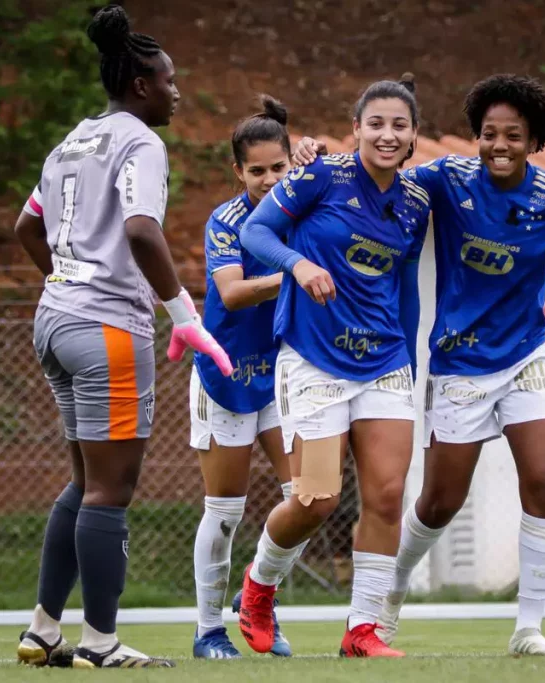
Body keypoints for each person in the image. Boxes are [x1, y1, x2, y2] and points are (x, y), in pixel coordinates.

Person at [295, 72, 545, 656]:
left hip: (528, 353)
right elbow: (377, 171)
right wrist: (317, 153)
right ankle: (393, 586)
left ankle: (528, 628)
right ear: (476, 137)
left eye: (513, 135)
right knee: (440, 502)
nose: (499, 145)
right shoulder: (446, 179)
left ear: (534, 141)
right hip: (459, 364)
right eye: (489, 134)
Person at [12, 4, 230, 669]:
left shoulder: (70, 142)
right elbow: (140, 229)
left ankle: (43, 630)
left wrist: (68, 282)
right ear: (141, 85)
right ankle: (100, 642)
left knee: (85, 481)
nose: (176, 91)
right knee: (111, 490)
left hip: (54, 320)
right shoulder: (141, 142)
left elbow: (27, 227)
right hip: (106, 329)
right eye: (168, 80)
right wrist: (184, 315)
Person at [235, 74, 430, 658]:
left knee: (387, 497)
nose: (387, 135)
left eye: (399, 125)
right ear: (356, 129)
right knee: (316, 499)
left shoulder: (416, 203)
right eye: (376, 124)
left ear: (414, 135)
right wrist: (297, 265)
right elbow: (256, 230)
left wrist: (409, 361)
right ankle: (258, 587)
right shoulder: (320, 175)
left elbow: (406, 287)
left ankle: (363, 630)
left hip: (386, 362)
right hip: (314, 357)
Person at [190, 95, 303, 659]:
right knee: (226, 512)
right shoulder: (226, 221)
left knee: (309, 499)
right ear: (238, 171)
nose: (269, 179)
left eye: (278, 167)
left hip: (284, 375)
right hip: (227, 375)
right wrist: (297, 271)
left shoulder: (305, 213)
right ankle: (208, 631)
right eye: (256, 171)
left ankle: (257, 595)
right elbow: (232, 294)